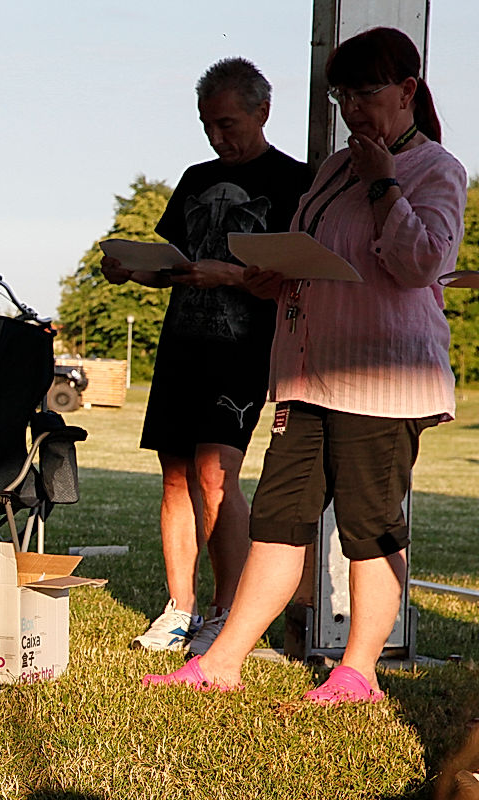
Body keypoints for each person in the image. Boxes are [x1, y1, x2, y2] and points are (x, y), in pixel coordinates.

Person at [145, 27, 466, 703]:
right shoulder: (331, 170)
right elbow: (313, 257)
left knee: (369, 528)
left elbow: (420, 263)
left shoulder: (436, 169)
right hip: (306, 375)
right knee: (278, 519)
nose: (351, 107)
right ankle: (223, 659)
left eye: (364, 92)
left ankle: (357, 673)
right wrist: (270, 278)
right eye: (340, 94)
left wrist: (384, 186)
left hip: (382, 381)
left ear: (407, 90)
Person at [100, 58, 312, 654]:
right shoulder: (195, 177)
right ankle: (179, 608)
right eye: (206, 125)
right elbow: (174, 264)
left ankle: (226, 610)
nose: (217, 137)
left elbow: (301, 277)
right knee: (175, 478)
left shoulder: (297, 182)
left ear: (262, 112)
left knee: (216, 474)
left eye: (226, 123)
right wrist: (131, 272)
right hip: (182, 346)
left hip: (244, 350)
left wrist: (234, 276)